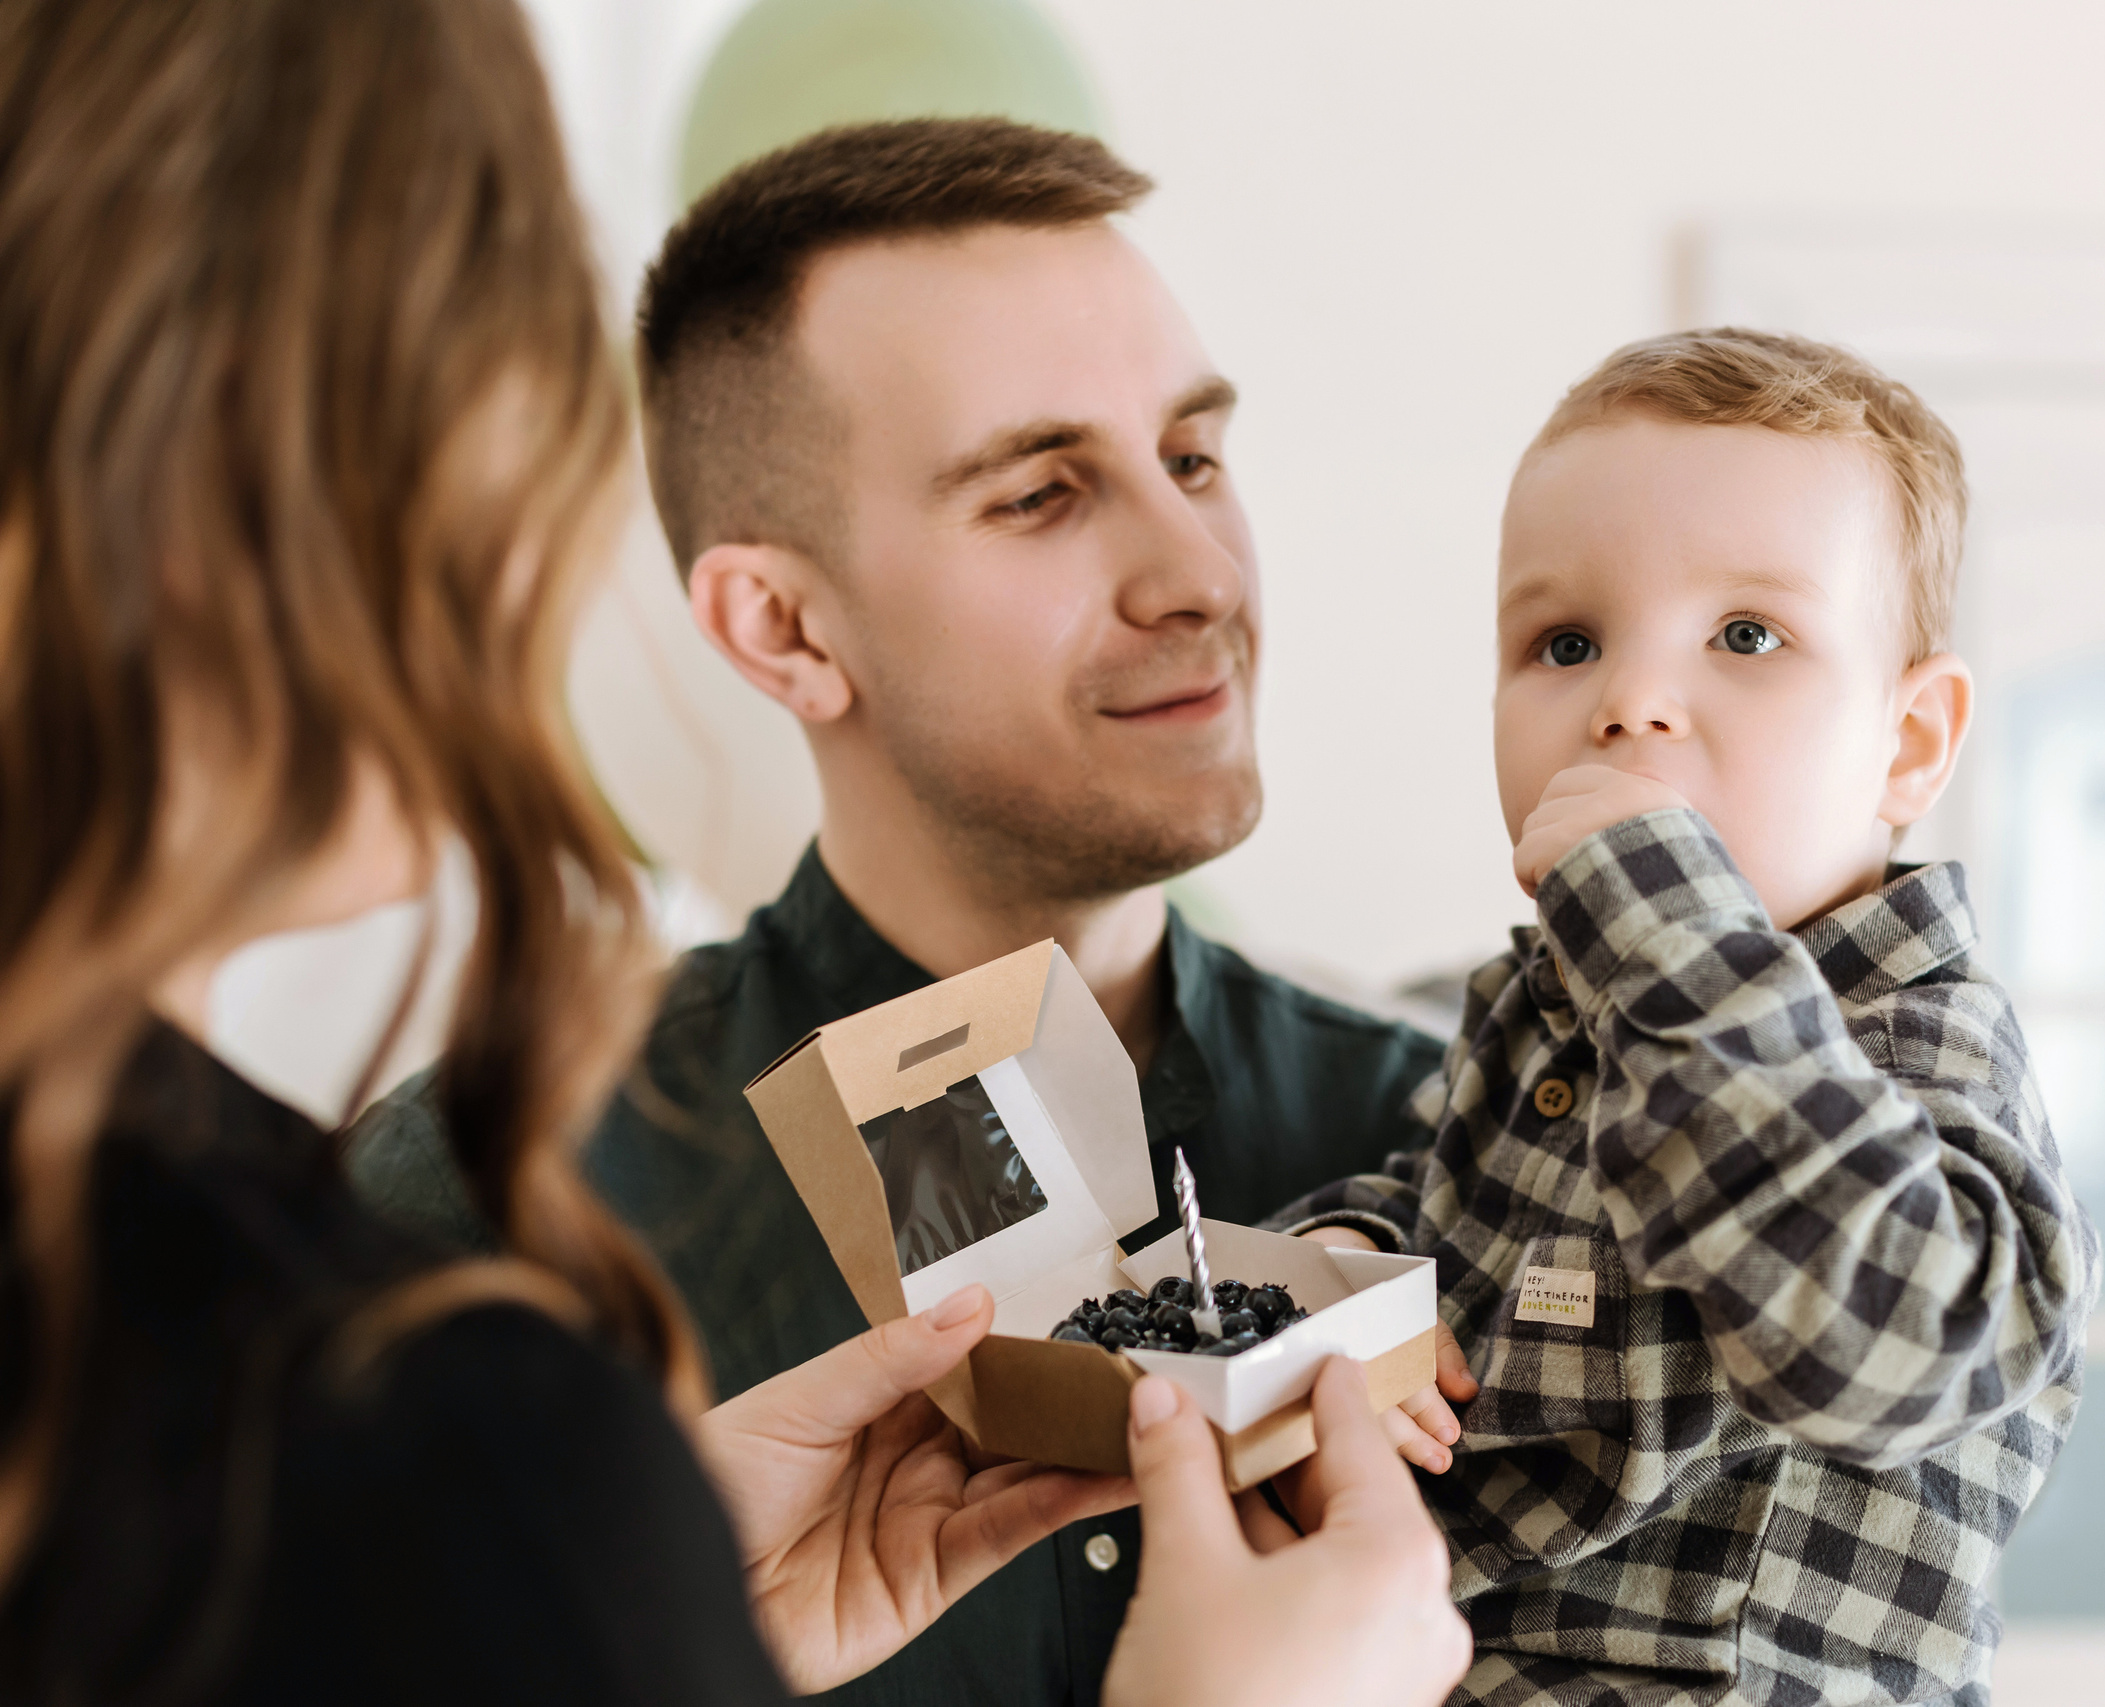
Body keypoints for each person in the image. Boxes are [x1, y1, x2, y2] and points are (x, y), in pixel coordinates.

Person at [0, 3, 1464, 1704]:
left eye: (1196, 458)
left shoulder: (1476, 1161)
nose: (1197, 571)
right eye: (1039, 496)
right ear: (778, 628)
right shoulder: (463, 1244)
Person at [1281, 330, 2101, 1706]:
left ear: (1906, 746)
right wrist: (1352, 1283)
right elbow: (1435, 1203)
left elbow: (1893, 1354)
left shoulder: (1916, 1035)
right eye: (1566, 642)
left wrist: (1668, 927)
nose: (1629, 703)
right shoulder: (1541, 1009)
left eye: (1745, 637)